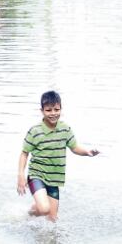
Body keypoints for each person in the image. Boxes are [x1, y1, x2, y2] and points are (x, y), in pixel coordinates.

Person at [17, 90, 99, 222]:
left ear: (61, 109)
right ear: (42, 111)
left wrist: (87, 153)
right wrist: (21, 176)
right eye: (48, 110)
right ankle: (27, 214)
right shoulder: (35, 131)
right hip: (36, 175)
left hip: (54, 179)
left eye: (56, 109)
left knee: (52, 219)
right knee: (44, 209)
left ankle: (46, 240)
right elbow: (24, 153)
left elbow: (74, 147)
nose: (53, 113)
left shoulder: (65, 129)